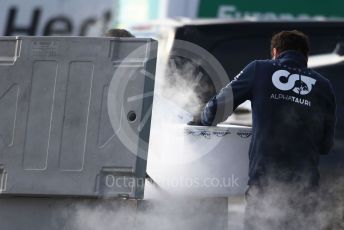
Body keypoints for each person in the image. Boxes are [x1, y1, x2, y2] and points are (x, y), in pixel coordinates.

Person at [192, 30, 337, 229]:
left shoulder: (260, 69)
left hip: (265, 183)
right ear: (306, 57)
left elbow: (217, 109)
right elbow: (325, 145)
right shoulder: (323, 85)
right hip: (306, 186)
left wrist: (201, 120)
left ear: (275, 52)